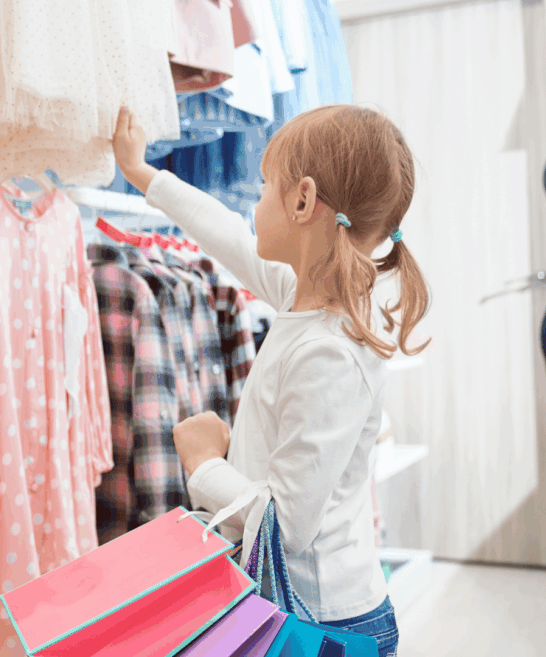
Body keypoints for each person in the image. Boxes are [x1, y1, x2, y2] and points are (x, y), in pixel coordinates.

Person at [113, 104, 430, 657]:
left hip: (323, 620)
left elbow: (284, 530)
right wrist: (141, 173)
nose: (254, 204)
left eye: (264, 188)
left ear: (303, 200)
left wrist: (205, 462)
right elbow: (228, 236)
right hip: (302, 606)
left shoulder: (329, 351)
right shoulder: (302, 300)